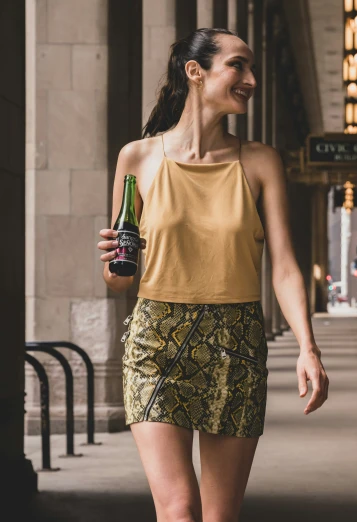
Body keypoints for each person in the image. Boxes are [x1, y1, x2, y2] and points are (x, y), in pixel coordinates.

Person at [96, 28, 329, 522]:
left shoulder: (260, 161)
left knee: (220, 515)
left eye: (251, 68)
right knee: (178, 508)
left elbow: (283, 264)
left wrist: (308, 347)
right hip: (155, 340)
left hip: (236, 341)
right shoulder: (137, 158)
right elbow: (119, 281)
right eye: (237, 66)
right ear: (195, 72)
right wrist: (113, 262)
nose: (251, 79)